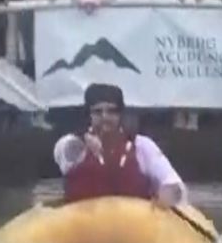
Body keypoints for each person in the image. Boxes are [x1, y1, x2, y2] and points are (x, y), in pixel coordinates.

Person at [53, 83, 186, 207]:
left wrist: (168, 193)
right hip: (83, 226)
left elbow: (173, 183)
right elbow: (66, 149)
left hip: (133, 226)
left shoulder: (142, 145)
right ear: (89, 115)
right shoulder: (70, 145)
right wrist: (84, 139)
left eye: (111, 111)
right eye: (98, 112)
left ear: (120, 114)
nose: (105, 117)